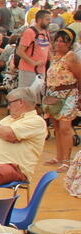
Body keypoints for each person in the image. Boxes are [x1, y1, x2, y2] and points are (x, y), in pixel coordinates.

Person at [0, 88, 47, 186]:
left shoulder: (36, 121)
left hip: (12, 167)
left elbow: (8, 134)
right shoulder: (10, 118)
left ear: (20, 102)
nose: (8, 107)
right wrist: (3, 132)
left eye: (9, 103)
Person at [43, 28, 81, 170]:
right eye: (57, 40)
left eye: (63, 42)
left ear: (69, 44)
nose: (59, 44)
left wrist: (79, 97)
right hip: (53, 95)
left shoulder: (71, 56)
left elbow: (79, 76)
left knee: (65, 127)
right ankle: (59, 157)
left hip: (68, 94)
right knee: (57, 127)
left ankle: (67, 160)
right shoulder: (54, 56)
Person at [15, 9, 51, 91]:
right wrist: (33, 63)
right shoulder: (30, 32)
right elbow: (20, 51)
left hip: (41, 70)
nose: (49, 21)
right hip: (28, 70)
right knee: (26, 95)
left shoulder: (46, 32)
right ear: (39, 20)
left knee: (37, 96)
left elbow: (48, 50)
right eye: (47, 19)